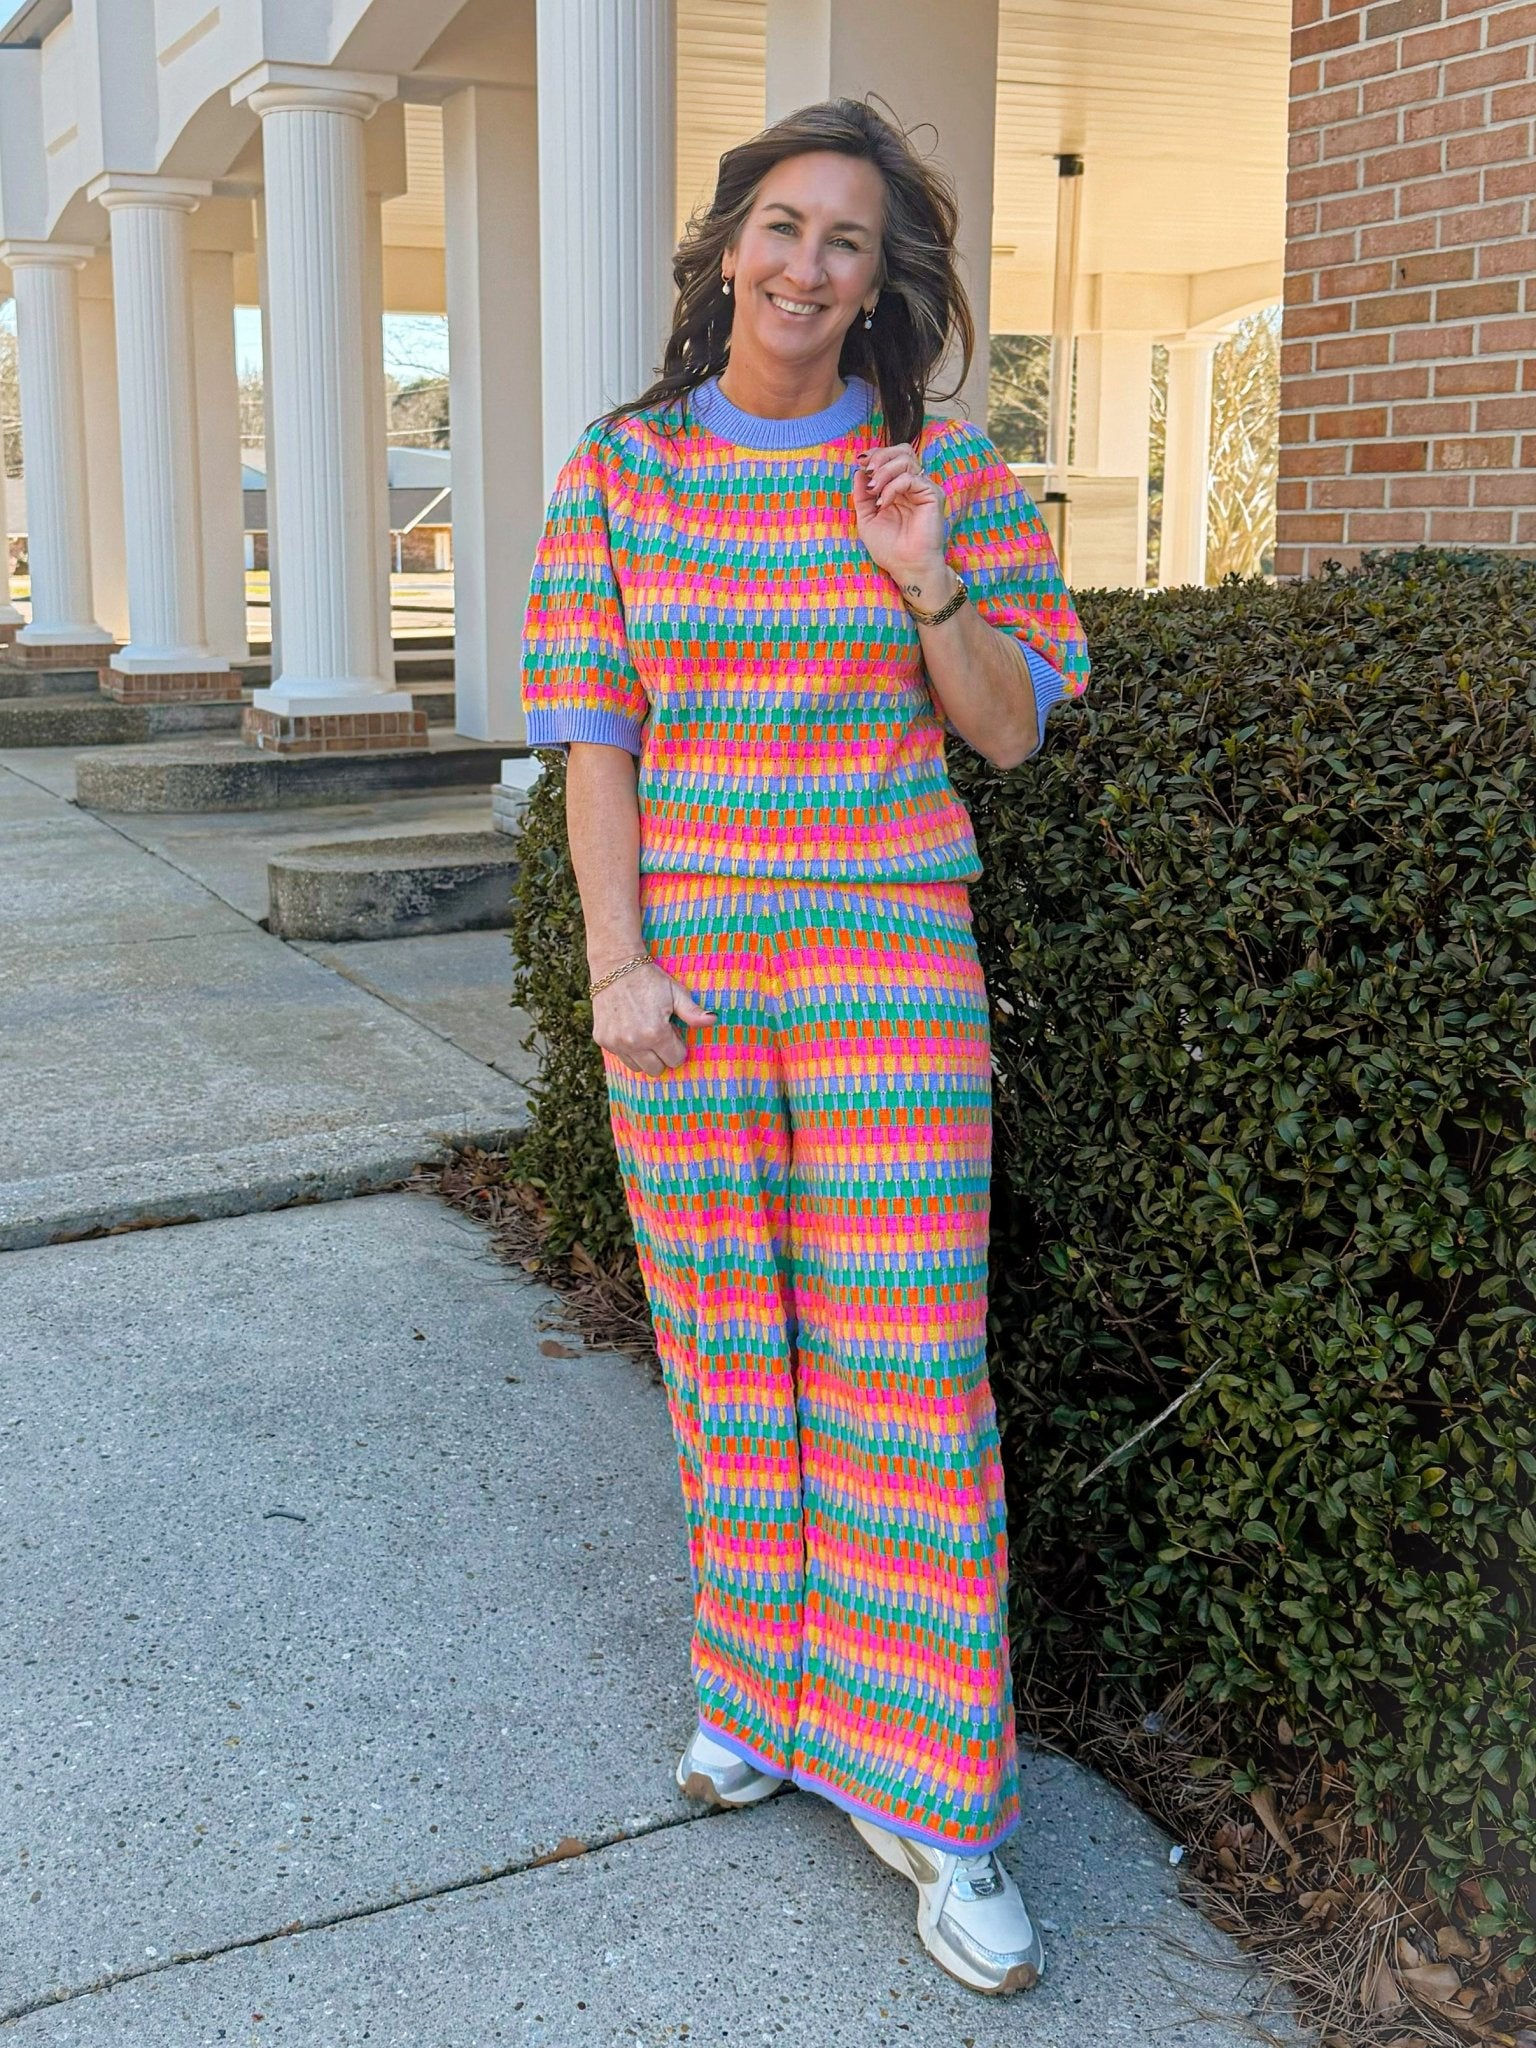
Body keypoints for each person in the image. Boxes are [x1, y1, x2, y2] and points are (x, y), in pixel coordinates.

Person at [520, 96, 1089, 1998]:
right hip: (682, 997)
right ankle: (758, 1693)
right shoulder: (627, 469)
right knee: (724, 1348)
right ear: (727, 247)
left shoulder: (947, 470)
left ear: (878, 280)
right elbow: (597, 741)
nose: (806, 262)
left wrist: (926, 575)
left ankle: (942, 1799)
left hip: (888, 979)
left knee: (909, 1367)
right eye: (782, 223)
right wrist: (615, 966)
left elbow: (1009, 728)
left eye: (847, 238)